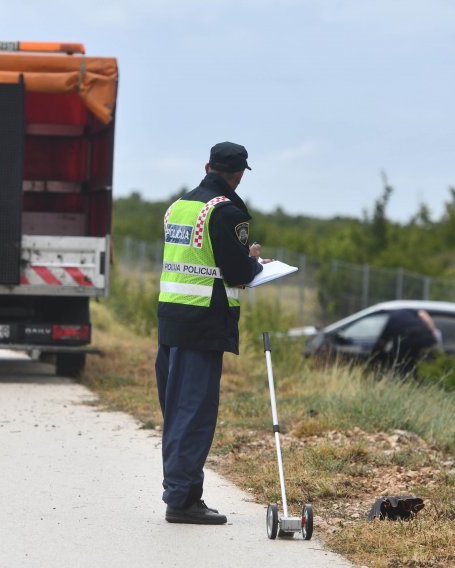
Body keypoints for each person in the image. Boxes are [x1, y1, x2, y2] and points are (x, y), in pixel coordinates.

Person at [155, 141, 268, 524]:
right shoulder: (225, 211)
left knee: (176, 414)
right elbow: (236, 272)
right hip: (202, 326)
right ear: (238, 175)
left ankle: (182, 492)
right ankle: (182, 501)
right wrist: (252, 262)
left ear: (207, 166)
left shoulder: (179, 206)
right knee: (194, 413)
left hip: (170, 321)